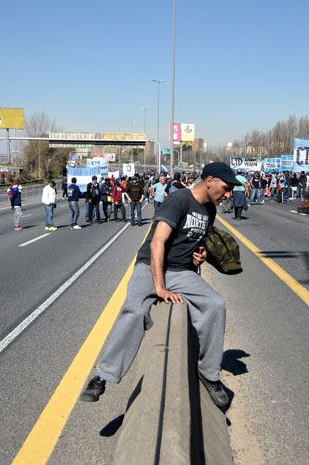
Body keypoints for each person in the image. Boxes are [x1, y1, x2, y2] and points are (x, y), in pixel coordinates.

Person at [80, 162, 242, 407]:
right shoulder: (178, 200)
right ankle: (103, 375)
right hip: (152, 265)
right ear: (209, 181)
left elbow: (193, 242)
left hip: (182, 271)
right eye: (226, 188)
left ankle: (209, 374)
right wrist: (160, 287)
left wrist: (202, 256)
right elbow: (157, 242)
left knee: (215, 305)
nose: (229, 194)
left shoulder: (210, 211)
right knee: (135, 309)